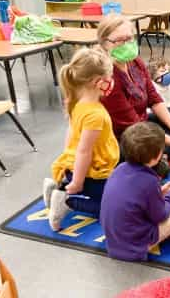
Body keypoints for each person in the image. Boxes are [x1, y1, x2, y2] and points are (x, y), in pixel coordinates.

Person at [96, 14, 170, 159]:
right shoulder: (108, 77)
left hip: (143, 122)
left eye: (130, 38)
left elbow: (154, 98)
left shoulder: (135, 62)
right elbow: (133, 125)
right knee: (136, 149)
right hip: (126, 135)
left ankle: (157, 155)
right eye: (120, 41)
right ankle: (156, 157)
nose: (127, 44)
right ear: (104, 43)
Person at [43, 47, 119, 231]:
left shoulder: (77, 102)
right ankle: (67, 202)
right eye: (109, 78)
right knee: (117, 208)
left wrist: (67, 160)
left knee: (117, 193)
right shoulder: (95, 114)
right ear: (97, 82)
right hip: (91, 174)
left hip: (76, 166)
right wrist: (77, 182)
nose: (112, 82)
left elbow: (71, 136)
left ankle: (57, 187)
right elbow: (84, 151)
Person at [100, 122, 170, 262]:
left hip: (113, 240)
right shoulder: (149, 180)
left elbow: (135, 197)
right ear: (157, 156)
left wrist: (160, 191)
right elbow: (160, 216)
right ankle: (154, 242)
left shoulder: (119, 169)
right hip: (135, 246)